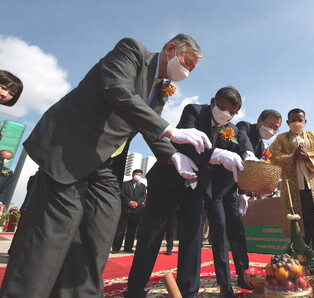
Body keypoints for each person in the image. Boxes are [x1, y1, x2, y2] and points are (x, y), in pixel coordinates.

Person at [1, 34, 212, 298]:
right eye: (187, 62)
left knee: (100, 228)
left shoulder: (161, 90)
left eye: (192, 68)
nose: (187, 71)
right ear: (170, 49)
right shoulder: (132, 51)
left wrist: (173, 156)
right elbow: (118, 92)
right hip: (71, 148)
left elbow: (147, 125)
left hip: (105, 164)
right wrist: (170, 130)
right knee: (54, 231)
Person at [125, 86, 244, 298]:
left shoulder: (231, 130)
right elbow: (185, 144)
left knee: (193, 237)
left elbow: (235, 156)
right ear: (213, 101)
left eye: (232, 112)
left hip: (196, 187)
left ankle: (188, 290)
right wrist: (216, 154)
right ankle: (134, 290)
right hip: (169, 178)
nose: (226, 114)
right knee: (151, 235)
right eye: (223, 107)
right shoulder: (194, 111)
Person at [269, 108, 314, 290]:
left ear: (305, 121)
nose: (297, 123)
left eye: (299, 120)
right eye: (293, 120)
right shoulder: (281, 140)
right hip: (294, 193)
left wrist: (308, 155)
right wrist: (292, 157)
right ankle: (301, 276)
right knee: (300, 232)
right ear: (287, 123)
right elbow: (273, 157)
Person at [234, 109, 282, 287]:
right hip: (217, 187)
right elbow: (243, 138)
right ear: (259, 120)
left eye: (276, 128)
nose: (272, 130)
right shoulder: (244, 126)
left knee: (237, 233)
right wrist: (247, 151)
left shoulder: (262, 146)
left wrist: (246, 193)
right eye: (270, 125)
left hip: (237, 192)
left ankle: (242, 276)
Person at [111, 169, 147, 254]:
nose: (138, 176)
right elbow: (121, 194)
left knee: (132, 231)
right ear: (133, 175)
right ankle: (116, 248)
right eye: (137, 174)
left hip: (136, 211)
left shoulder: (142, 186)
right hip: (125, 210)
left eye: (140, 175)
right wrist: (128, 202)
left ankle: (128, 248)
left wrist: (137, 203)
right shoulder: (125, 184)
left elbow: (143, 195)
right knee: (120, 230)